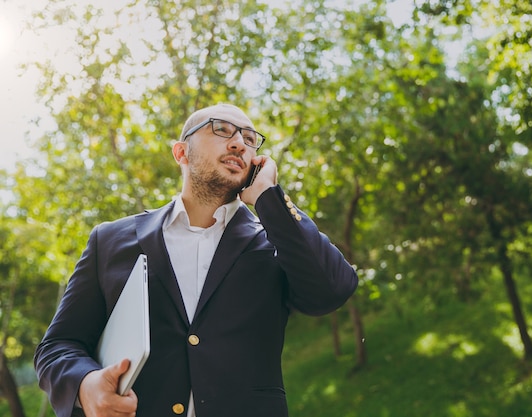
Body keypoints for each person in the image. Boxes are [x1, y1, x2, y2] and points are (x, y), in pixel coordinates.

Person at [34, 103, 358, 417]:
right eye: (222, 129)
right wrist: (85, 385)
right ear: (181, 152)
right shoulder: (109, 240)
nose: (239, 143)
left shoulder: (276, 239)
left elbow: (333, 289)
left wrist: (267, 195)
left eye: (249, 139)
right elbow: (58, 347)